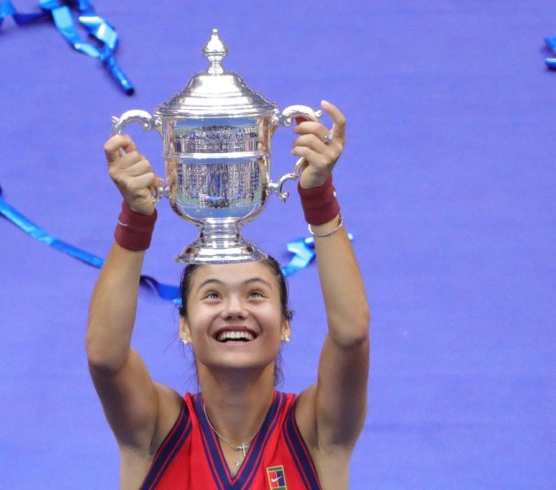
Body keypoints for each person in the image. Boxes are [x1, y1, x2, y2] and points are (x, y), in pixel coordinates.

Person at [87, 100, 370, 489]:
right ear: (184, 325)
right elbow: (105, 357)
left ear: (285, 324)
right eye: (212, 296)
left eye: (255, 295)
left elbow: (352, 335)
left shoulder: (317, 432)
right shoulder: (156, 429)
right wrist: (137, 219)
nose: (235, 309)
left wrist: (319, 198)